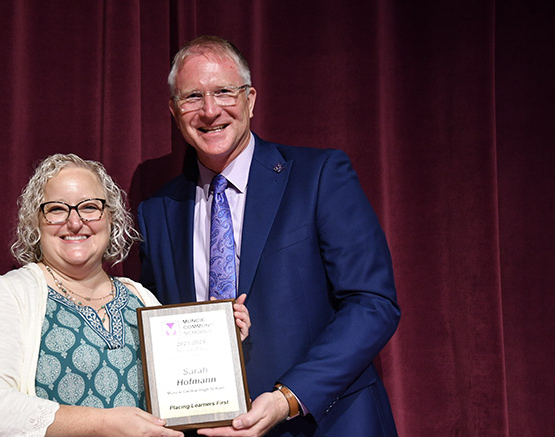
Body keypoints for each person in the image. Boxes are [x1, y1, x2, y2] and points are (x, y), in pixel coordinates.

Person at [137, 36, 400, 436]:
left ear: (250, 100)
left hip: (325, 423)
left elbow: (373, 302)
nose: (210, 111)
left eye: (224, 92)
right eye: (192, 97)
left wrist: (288, 398)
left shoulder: (319, 175)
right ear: (174, 112)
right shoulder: (157, 211)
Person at [0, 153, 251, 436]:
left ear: (111, 219)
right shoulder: (12, 295)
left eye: (90, 206)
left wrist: (218, 344)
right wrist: (103, 424)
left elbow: (184, 396)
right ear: (35, 223)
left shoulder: (141, 298)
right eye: (56, 209)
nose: (75, 221)